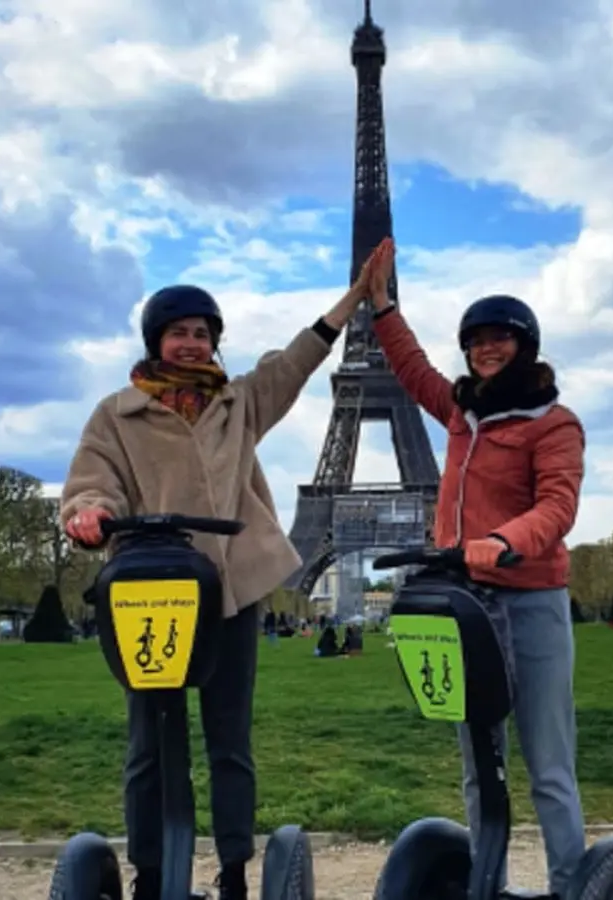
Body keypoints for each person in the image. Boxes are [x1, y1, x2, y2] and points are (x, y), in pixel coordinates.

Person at [60, 247, 387, 900]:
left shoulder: (240, 402)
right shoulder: (114, 415)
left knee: (228, 736)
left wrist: (355, 300)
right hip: (153, 592)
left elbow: (296, 361)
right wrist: (90, 513)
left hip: (231, 591)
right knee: (149, 742)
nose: (190, 343)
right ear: (157, 340)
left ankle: (234, 868)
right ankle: (151, 871)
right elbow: (93, 481)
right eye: (179, 332)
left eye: (202, 334)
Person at [365, 237, 587, 895]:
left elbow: (558, 505)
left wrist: (504, 540)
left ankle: (570, 882)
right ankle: (484, 884)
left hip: (528, 599)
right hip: (464, 606)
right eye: (475, 340)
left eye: (499, 339)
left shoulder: (553, 422)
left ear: (526, 345)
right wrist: (381, 307)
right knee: (479, 762)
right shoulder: (464, 413)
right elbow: (410, 371)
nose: (485, 349)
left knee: (548, 764)